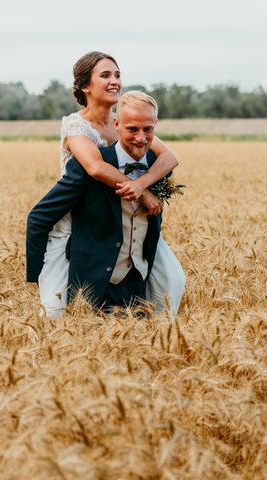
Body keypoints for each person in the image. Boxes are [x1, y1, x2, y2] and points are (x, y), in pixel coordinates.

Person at [36, 51, 185, 317]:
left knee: (172, 279)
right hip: (79, 221)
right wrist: (141, 192)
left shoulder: (125, 122)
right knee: (56, 310)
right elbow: (95, 167)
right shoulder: (76, 126)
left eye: (117, 74)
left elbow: (169, 157)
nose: (114, 80)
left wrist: (144, 187)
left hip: (120, 215)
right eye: (104, 75)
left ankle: (162, 332)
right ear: (85, 86)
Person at [27, 91, 168, 310]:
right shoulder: (88, 165)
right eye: (132, 129)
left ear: (155, 125)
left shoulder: (157, 166)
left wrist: (143, 186)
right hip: (92, 284)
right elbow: (38, 217)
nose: (141, 137)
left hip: (137, 281)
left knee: (174, 285)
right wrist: (36, 275)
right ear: (117, 124)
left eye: (147, 129)